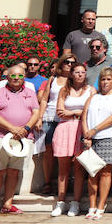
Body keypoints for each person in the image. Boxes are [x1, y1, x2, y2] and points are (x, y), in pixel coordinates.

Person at [0, 65, 41, 215]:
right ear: (7, 77)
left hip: (23, 138)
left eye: (20, 75)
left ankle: (8, 204)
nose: (16, 78)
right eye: (13, 75)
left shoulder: (30, 93)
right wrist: (12, 128)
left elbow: (36, 113)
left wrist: (26, 129)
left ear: (24, 77)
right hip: (1, 136)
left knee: (14, 171)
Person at [51, 63, 94, 217]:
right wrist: (78, 112)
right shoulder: (64, 90)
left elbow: (91, 111)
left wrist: (72, 112)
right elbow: (60, 112)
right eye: (77, 72)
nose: (80, 75)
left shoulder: (91, 90)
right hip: (64, 128)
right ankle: (60, 202)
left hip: (82, 129)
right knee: (63, 169)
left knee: (78, 168)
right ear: (72, 74)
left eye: (83, 72)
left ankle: (75, 203)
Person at [80, 67, 112, 220]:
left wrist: (95, 130)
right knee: (92, 172)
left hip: (108, 137)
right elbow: (84, 115)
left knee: (105, 172)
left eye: (108, 79)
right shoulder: (93, 97)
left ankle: (101, 205)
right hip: (91, 138)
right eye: (103, 79)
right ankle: (92, 205)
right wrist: (86, 134)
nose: (105, 82)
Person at [37, 54, 73, 195]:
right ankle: (47, 182)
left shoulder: (75, 79)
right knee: (48, 149)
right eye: (66, 62)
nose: (69, 64)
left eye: (72, 62)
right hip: (50, 116)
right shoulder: (53, 79)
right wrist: (40, 117)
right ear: (61, 63)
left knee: (67, 150)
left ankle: (66, 181)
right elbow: (44, 99)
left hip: (66, 118)